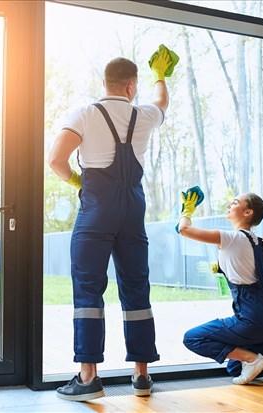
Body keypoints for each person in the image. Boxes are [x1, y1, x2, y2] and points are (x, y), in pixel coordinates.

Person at [48, 48, 175, 401]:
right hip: (133, 211)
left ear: (105, 83)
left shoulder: (85, 114)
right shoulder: (145, 114)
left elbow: (56, 160)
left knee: (89, 289)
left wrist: (76, 180)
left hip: (96, 211)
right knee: (136, 288)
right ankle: (142, 375)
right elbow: (162, 101)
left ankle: (89, 379)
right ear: (132, 86)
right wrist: (161, 74)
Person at [177, 189, 263, 385]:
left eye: (234, 202)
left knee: (193, 338)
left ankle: (252, 359)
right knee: (234, 366)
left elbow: (184, 230)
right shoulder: (260, 243)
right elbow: (248, 271)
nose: (229, 205)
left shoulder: (232, 238)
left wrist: (187, 211)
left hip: (254, 319)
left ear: (248, 212)